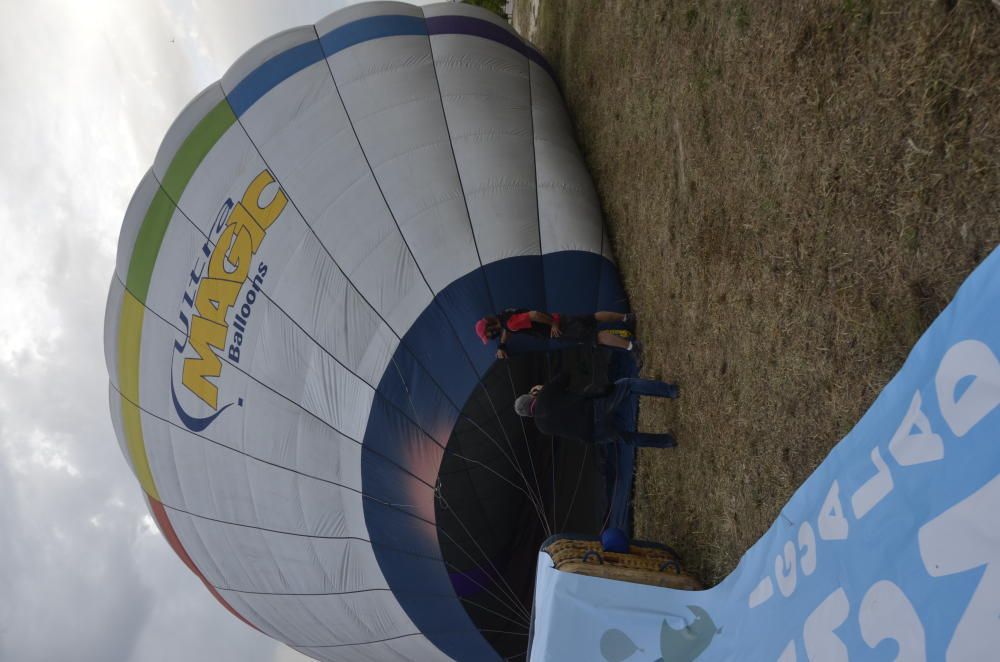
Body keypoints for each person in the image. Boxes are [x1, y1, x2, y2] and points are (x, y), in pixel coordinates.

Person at [513, 372, 679, 448]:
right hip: (594, 408)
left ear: (528, 414)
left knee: (628, 438)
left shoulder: (542, 427)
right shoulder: (545, 394)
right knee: (627, 384)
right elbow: (565, 376)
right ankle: (670, 391)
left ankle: (668, 441)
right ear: (532, 396)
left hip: (593, 433)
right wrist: (543, 388)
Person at [474, 309, 641, 360]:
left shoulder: (510, 323)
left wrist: (552, 324)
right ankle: (627, 318)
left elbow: (533, 315)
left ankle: (633, 347)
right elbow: (509, 330)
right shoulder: (504, 315)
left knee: (596, 337)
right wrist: (502, 345)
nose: (490, 337)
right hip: (560, 319)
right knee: (592, 318)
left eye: (487, 334)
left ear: (489, 327)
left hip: (558, 328)